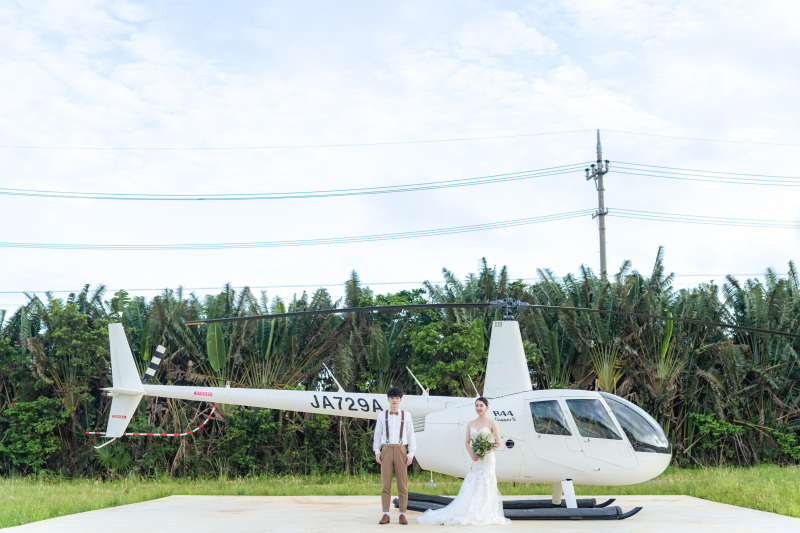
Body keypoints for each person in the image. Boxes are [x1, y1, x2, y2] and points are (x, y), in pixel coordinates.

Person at [417, 396, 511, 526]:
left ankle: (484, 512)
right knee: (473, 481)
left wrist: (485, 452)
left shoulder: (491, 423)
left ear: (487, 408)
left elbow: (498, 443)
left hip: (487, 458)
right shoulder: (471, 423)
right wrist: (472, 454)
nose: (479, 408)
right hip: (474, 458)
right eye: (477, 405)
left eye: (481, 406)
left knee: (487, 481)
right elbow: (467, 442)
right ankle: (468, 509)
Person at [373, 386, 417, 525]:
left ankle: (402, 514)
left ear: (400, 400)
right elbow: (377, 434)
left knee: (402, 484)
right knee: (385, 483)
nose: (394, 401)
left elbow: (411, 436)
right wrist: (377, 451)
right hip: (386, 449)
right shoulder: (382, 415)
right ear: (388, 399)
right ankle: (385, 514)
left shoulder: (407, 415)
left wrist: (410, 454)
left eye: (397, 398)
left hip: (400, 450)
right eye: (392, 398)